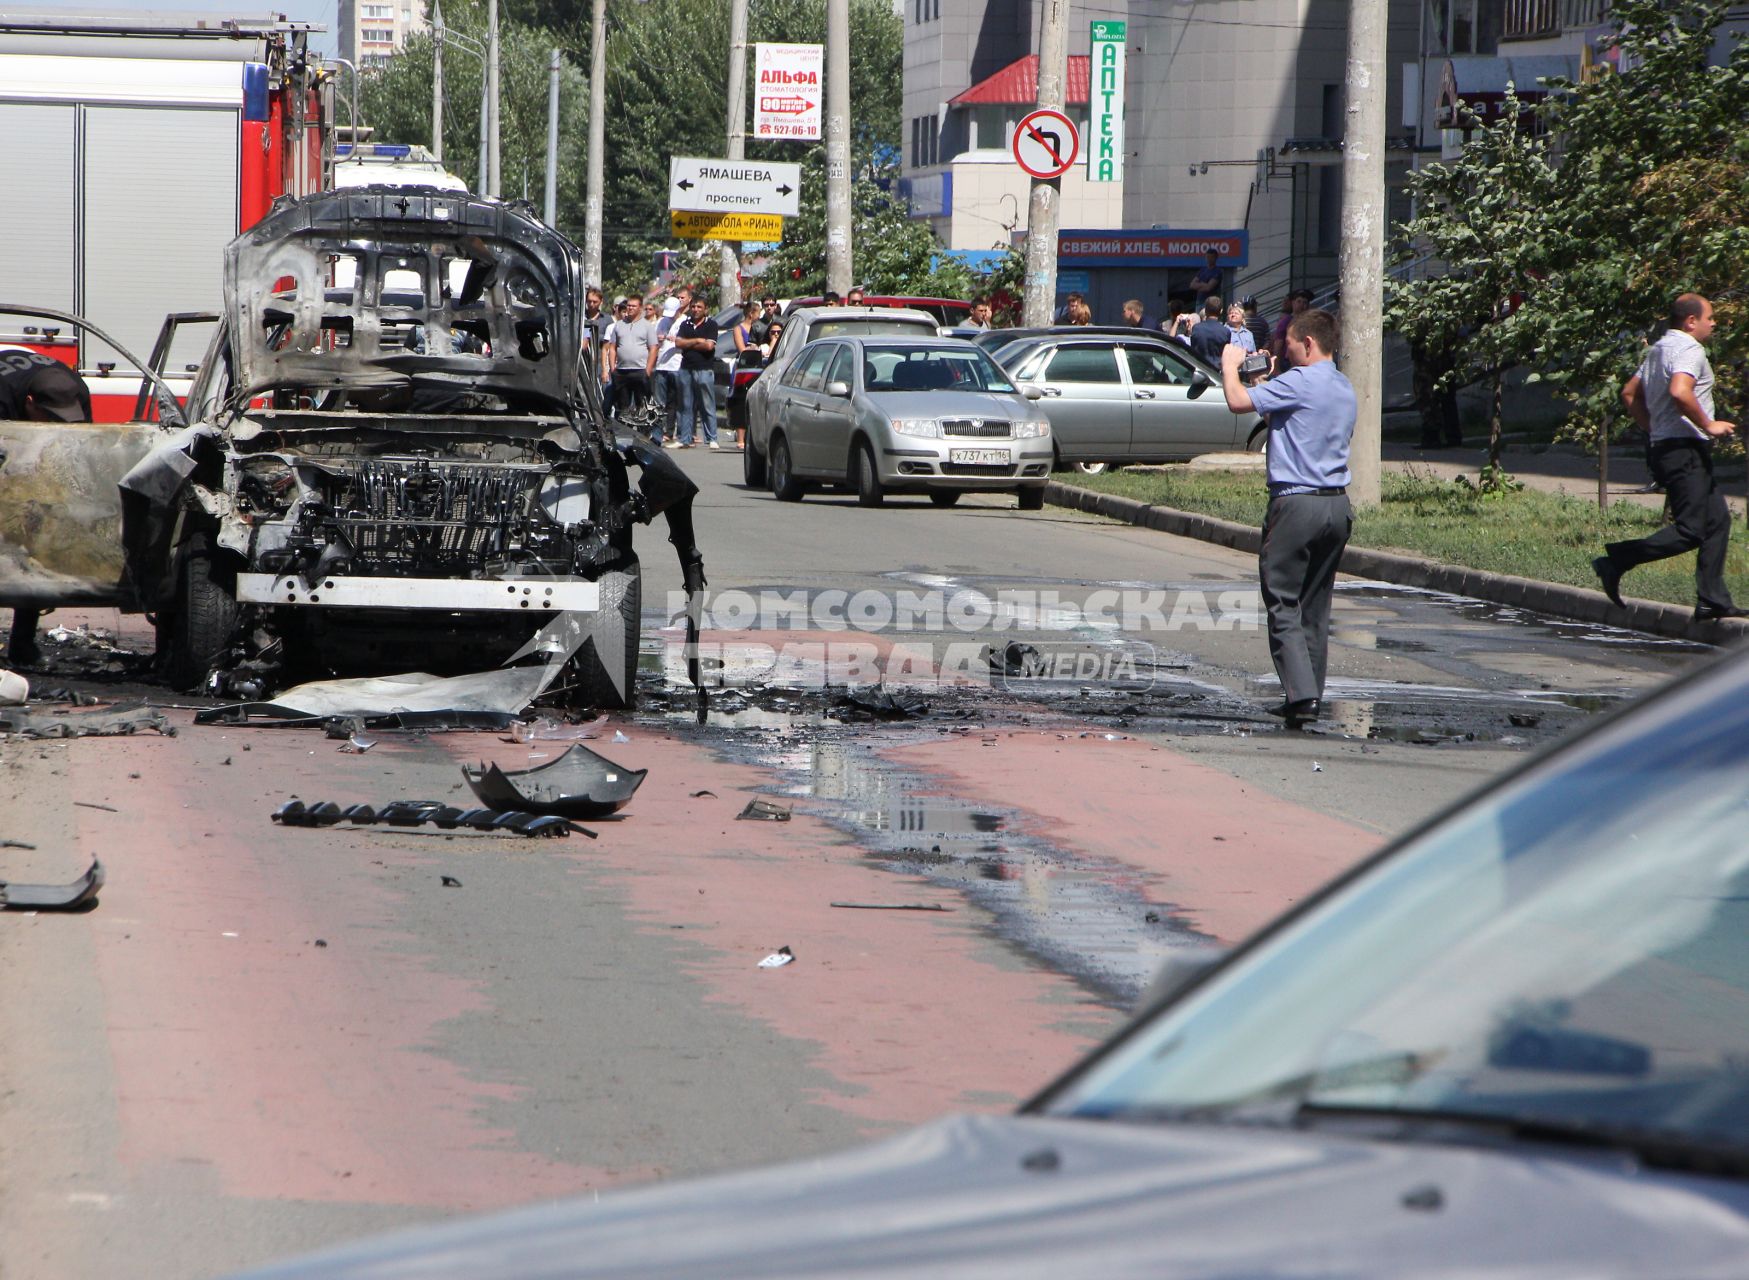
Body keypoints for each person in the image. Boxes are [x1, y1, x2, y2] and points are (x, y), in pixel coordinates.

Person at [1220, 308, 1354, 727]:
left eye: (1290, 344)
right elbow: (1291, 421)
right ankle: (1308, 692)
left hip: (1295, 504)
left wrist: (1230, 366)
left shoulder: (1299, 380)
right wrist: (1263, 380)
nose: (1286, 350)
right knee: (1315, 604)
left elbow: (1236, 402)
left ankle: (1301, 696)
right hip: (1336, 505)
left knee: (1282, 599)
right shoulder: (1343, 386)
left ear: (1309, 343)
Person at [1593, 294, 1744, 622]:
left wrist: (1654, 429)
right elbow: (1680, 391)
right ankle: (1616, 560)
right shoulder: (1690, 349)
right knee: (1691, 530)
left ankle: (1712, 600)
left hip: (1671, 448)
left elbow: (1629, 393)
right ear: (1691, 321)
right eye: (1710, 317)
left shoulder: (1659, 348)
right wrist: (1709, 424)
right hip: (1684, 449)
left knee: (1718, 521)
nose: (1714, 322)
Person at [0, 352, 93, 667]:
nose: (57, 426)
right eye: (51, 418)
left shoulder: (76, 390)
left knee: (34, 547)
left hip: (35, 472)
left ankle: (22, 645)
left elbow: (83, 446)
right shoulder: (3, 394)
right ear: (29, 403)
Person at [671, 295, 720, 449]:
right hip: (686, 368)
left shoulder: (711, 325)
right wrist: (698, 341)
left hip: (704, 369)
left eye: (699, 307)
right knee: (685, 405)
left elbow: (709, 347)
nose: (696, 310)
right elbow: (678, 343)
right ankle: (684, 438)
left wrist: (689, 344)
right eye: (693, 307)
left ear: (706, 309)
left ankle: (711, 438)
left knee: (707, 404)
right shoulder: (685, 324)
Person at [605, 295, 658, 425]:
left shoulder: (647, 326)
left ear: (640, 308)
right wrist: (612, 368)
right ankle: (623, 435)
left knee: (643, 406)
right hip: (622, 372)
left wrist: (648, 371)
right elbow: (612, 347)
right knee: (623, 407)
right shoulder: (619, 325)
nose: (630, 308)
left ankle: (644, 435)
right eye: (628, 305)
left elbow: (654, 348)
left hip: (640, 371)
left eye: (633, 306)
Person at [652, 297, 686, 446]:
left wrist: (675, 339)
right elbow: (653, 341)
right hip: (662, 365)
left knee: (678, 402)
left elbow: (685, 342)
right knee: (660, 403)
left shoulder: (684, 322)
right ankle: (660, 433)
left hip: (677, 365)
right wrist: (659, 339)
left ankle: (679, 434)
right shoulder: (662, 322)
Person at [1189, 296, 1232, 364]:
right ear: (1221, 311)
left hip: (1200, 368)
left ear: (1205, 310)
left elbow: (1193, 351)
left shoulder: (1196, 328)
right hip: (1217, 371)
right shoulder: (1226, 331)